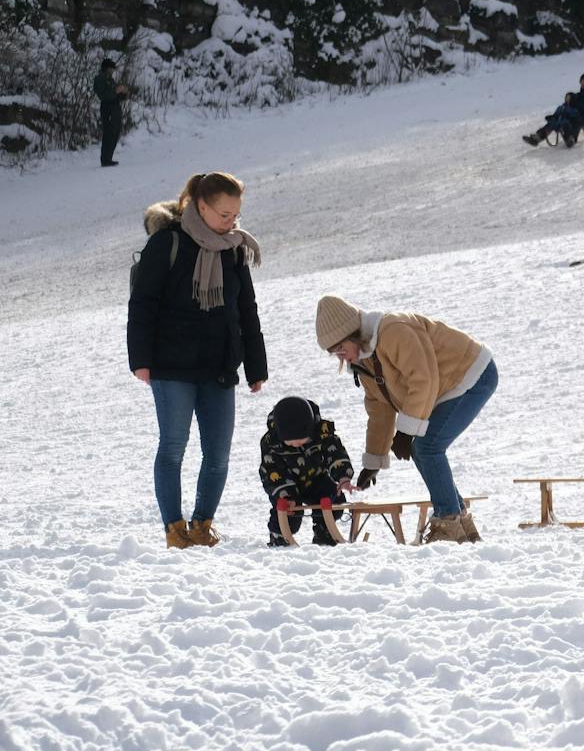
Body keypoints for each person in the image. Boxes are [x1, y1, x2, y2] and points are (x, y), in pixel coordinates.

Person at [129, 172, 268, 549]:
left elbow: (246, 309)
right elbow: (142, 304)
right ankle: (174, 530)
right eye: (224, 214)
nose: (231, 222)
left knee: (218, 454)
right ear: (202, 206)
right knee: (173, 447)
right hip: (171, 366)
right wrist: (141, 359)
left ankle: (202, 524)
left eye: (236, 215)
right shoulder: (167, 242)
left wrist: (255, 366)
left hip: (219, 366)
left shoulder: (233, 248)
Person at [315, 296, 496, 544]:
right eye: (333, 353)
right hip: (444, 388)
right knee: (422, 448)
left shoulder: (394, 330)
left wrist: (406, 431)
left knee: (427, 447)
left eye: (340, 348)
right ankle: (460, 524)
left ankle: (448, 522)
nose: (340, 357)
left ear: (353, 334)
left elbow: (423, 379)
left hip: (472, 374)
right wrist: (374, 460)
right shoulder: (364, 362)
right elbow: (380, 410)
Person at [259, 396, 354, 547]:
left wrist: (343, 477)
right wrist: (285, 494)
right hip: (287, 484)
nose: (296, 444)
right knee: (290, 511)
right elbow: (271, 471)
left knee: (334, 498)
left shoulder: (322, 434)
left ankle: (324, 531)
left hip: (316, 479)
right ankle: (279, 535)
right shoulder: (271, 443)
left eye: (302, 440)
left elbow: (335, 453)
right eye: (290, 442)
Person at [95, 58, 126, 167]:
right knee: (108, 133)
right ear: (106, 68)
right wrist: (115, 91)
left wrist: (123, 93)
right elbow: (103, 95)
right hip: (107, 109)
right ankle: (105, 159)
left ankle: (109, 158)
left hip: (115, 109)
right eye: (111, 68)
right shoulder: (99, 79)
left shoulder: (110, 79)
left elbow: (115, 95)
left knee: (115, 133)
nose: (113, 71)